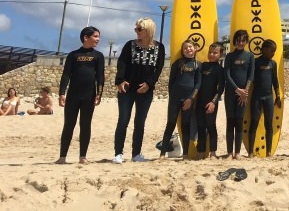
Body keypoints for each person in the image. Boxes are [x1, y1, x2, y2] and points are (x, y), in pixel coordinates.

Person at [113, 18, 165, 163]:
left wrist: (149, 84)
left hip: (145, 91)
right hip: (127, 89)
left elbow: (158, 68)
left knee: (140, 122)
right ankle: (118, 154)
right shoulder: (130, 45)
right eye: (136, 29)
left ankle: (136, 154)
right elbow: (121, 63)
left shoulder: (159, 47)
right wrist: (120, 80)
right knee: (123, 120)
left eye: (139, 29)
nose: (136, 31)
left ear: (148, 30)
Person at [56, 26, 104, 164]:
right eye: (95, 36)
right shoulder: (73, 55)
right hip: (73, 95)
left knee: (85, 125)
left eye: (98, 36)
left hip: (89, 95)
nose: (98, 39)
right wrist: (61, 93)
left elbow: (100, 77)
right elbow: (66, 75)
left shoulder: (98, 56)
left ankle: (83, 157)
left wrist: (99, 93)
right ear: (86, 37)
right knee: (69, 125)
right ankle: (62, 157)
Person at [158, 40, 201, 160]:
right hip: (175, 99)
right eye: (185, 48)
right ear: (182, 51)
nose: (188, 49)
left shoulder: (198, 65)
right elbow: (171, 82)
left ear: (195, 48)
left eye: (190, 47)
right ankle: (162, 154)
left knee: (185, 125)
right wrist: (173, 98)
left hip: (189, 100)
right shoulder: (177, 63)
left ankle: (185, 154)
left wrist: (191, 98)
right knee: (170, 124)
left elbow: (198, 84)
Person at [224, 29, 255, 159]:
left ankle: (237, 153)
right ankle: (229, 152)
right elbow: (227, 75)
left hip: (243, 95)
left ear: (246, 41)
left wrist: (245, 92)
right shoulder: (229, 56)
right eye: (238, 40)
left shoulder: (250, 56)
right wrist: (238, 90)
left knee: (239, 122)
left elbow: (251, 75)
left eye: (243, 40)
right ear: (234, 41)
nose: (240, 43)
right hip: (231, 94)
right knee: (230, 122)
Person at [248, 39, 282, 157]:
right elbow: (251, 78)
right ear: (264, 49)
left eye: (274, 51)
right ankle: (250, 152)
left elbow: (275, 81)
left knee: (269, 124)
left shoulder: (273, 63)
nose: (273, 53)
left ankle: (268, 152)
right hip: (256, 97)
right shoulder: (256, 62)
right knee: (254, 122)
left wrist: (278, 96)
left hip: (268, 97)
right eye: (272, 51)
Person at [196, 42, 225, 159]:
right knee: (201, 126)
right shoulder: (202, 66)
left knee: (211, 126)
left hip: (211, 102)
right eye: (210, 52)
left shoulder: (220, 70)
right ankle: (201, 151)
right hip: (200, 102)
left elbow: (221, 88)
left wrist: (213, 102)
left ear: (220, 55)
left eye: (215, 53)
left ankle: (213, 152)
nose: (212, 54)